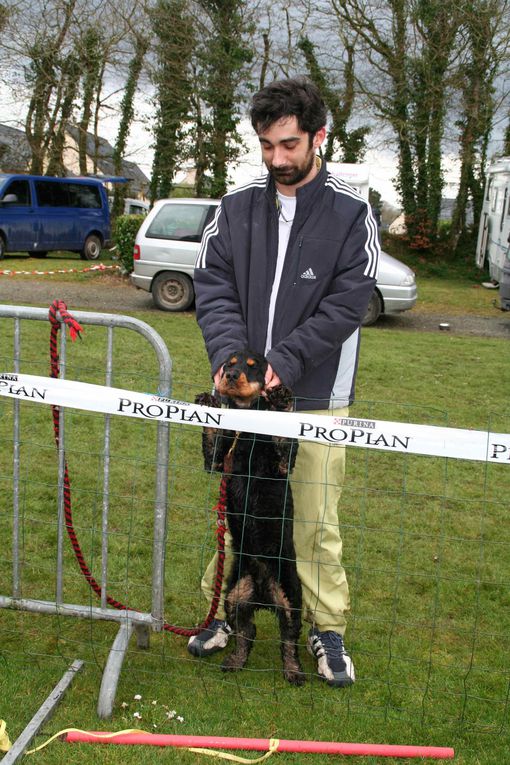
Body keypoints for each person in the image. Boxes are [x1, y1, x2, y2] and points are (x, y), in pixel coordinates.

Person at [188, 76, 380, 687]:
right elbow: (212, 283)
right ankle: (225, 609)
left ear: (318, 136)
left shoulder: (352, 211)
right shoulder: (236, 203)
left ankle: (327, 631)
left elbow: (349, 303)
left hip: (316, 398)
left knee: (316, 520)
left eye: (289, 145)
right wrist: (225, 355)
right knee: (236, 510)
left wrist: (286, 363)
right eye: (267, 146)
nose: (277, 159)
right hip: (239, 397)